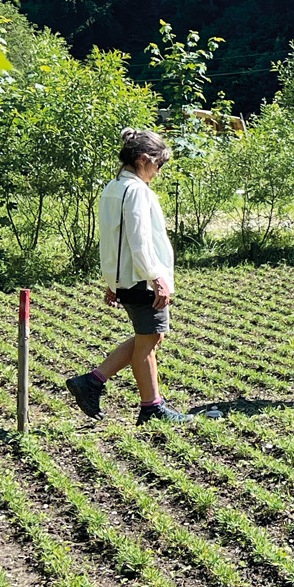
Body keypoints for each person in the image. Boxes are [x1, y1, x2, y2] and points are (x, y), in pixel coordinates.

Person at [64, 129, 195, 425]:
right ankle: (151, 408)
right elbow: (139, 240)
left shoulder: (113, 187)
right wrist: (156, 277)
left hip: (128, 278)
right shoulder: (136, 191)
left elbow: (110, 240)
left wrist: (113, 281)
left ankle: (92, 381)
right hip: (141, 279)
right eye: (158, 166)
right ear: (142, 159)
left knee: (150, 336)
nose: (158, 173)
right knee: (148, 341)